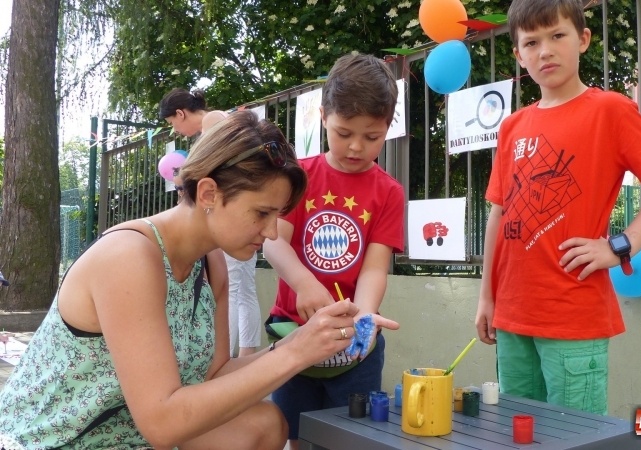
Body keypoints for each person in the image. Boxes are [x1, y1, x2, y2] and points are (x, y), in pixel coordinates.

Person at [0, 111, 399, 450]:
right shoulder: (128, 257)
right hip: (56, 442)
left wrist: (305, 341)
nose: (273, 232)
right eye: (262, 213)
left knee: (266, 424)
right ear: (208, 192)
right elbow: (162, 423)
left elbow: (213, 377)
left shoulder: (211, 263)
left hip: (123, 435)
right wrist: (291, 356)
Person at [475, 0, 641, 416]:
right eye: (531, 42)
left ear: (583, 39)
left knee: (575, 438)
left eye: (557, 36)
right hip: (512, 313)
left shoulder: (610, 110)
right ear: (518, 54)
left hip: (573, 314)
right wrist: (486, 297)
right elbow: (498, 213)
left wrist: (619, 245)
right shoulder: (512, 126)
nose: (545, 51)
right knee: (517, 434)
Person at [262, 53, 404, 450]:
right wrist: (305, 284)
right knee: (294, 434)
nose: (356, 147)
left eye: (372, 137)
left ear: (387, 128)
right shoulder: (299, 176)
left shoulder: (389, 192)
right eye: (343, 132)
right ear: (323, 116)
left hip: (354, 340)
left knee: (351, 436)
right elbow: (273, 239)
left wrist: (364, 315)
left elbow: (375, 267)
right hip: (295, 331)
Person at [160, 88, 260, 357]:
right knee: (244, 288)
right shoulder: (222, 120)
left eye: (173, 123)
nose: (177, 131)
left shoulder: (212, 120)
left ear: (181, 113)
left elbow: (212, 166)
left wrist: (182, 178)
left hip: (229, 213)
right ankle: (246, 354)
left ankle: (223, 357)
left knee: (233, 287)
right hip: (240, 208)